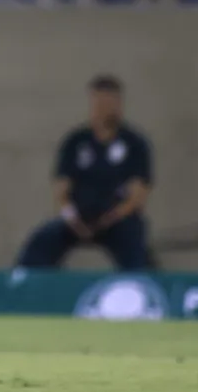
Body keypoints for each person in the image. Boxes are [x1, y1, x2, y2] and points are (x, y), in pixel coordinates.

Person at [15, 76, 152, 270]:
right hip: (78, 218)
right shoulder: (75, 142)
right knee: (43, 239)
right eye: (99, 102)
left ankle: (139, 288)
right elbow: (61, 191)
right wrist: (73, 219)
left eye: (110, 102)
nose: (104, 108)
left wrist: (109, 219)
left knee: (135, 246)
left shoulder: (135, 144)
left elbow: (137, 196)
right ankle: (24, 288)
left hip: (117, 219)